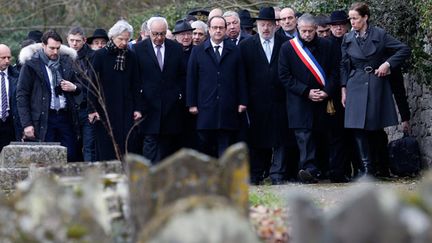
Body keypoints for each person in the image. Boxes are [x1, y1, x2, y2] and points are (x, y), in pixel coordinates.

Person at [340, 2, 411, 177]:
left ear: (365, 17)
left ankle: (380, 167)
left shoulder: (380, 34)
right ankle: (367, 169)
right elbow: (344, 65)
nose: (352, 22)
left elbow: (404, 49)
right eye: (350, 18)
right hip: (355, 83)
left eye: (355, 18)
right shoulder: (347, 38)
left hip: (375, 83)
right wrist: (343, 88)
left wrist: (387, 64)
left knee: (373, 127)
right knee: (356, 127)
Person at [279, 14, 339, 183]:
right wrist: (306, 91)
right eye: (303, 31)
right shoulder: (287, 48)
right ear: (298, 28)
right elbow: (284, 76)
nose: (307, 35)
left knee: (322, 137)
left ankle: (324, 170)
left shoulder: (328, 46)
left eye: (310, 31)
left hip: (323, 100)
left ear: (315, 30)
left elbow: (335, 72)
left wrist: (327, 91)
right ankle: (308, 170)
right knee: (304, 138)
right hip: (299, 101)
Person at [239, 7, 296, 185]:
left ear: (275, 25)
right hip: (256, 101)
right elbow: (242, 75)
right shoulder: (246, 45)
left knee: (281, 138)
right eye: (262, 25)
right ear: (257, 25)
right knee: (257, 138)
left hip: (281, 99)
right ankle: (257, 173)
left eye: (269, 25)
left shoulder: (286, 44)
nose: (265, 28)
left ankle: (278, 174)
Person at [187, 16, 247, 157]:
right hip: (205, 106)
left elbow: (241, 77)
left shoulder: (235, 50)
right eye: (215, 27)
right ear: (209, 29)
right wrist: (191, 104)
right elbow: (191, 78)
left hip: (228, 106)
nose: (218, 30)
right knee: (204, 143)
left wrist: (243, 101)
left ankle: (224, 177)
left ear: (225, 30)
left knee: (226, 144)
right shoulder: (198, 51)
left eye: (221, 28)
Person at [17, 30, 81, 161]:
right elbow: (22, 95)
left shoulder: (66, 62)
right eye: (52, 48)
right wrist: (27, 124)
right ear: (43, 46)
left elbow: (81, 85)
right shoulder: (31, 65)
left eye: (58, 48)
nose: (55, 52)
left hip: (65, 115)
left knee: (71, 155)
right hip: (43, 117)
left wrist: (74, 87)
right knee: (46, 157)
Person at [88, 20, 143, 161]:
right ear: (112, 37)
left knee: (127, 147)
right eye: (121, 39)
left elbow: (136, 84)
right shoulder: (99, 56)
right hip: (104, 109)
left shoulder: (131, 56)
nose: (124, 43)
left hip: (126, 108)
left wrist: (137, 108)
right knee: (106, 148)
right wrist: (92, 109)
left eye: (127, 39)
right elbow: (92, 83)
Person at [134, 16, 186, 163]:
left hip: (171, 106)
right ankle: (148, 177)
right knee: (150, 142)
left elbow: (182, 74)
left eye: (162, 33)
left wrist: (179, 93)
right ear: (149, 32)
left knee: (167, 144)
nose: (159, 37)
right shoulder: (138, 49)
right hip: (148, 105)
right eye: (155, 34)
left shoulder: (175, 47)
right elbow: (135, 79)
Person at [67, 26, 96, 162]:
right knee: (72, 148)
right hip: (69, 108)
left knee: (89, 146)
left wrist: (76, 87)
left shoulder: (92, 56)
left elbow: (93, 84)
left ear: (84, 40)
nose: (74, 44)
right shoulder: (63, 56)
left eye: (77, 40)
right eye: (71, 40)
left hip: (87, 106)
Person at [0, 44, 20, 152]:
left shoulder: (17, 76)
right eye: (3, 58)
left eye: (9, 57)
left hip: (10, 122)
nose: (7, 61)